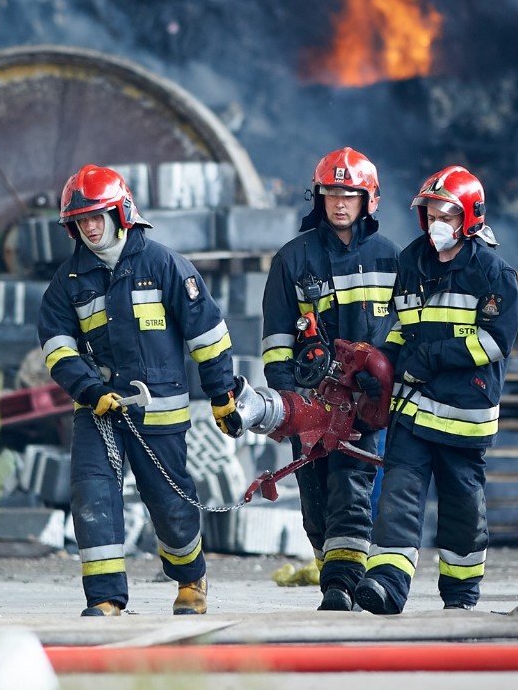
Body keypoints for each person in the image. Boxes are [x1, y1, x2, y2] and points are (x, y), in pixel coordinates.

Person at [38, 164, 240, 617]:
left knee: (170, 504)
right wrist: (90, 390)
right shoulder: (68, 282)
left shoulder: (164, 265)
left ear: (121, 212)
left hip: (160, 412)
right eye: (80, 220)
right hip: (99, 410)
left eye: (97, 216)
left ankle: (191, 580)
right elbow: (56, 348)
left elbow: (207, 336)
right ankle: (106, 598)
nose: (89, 227)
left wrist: (222, 395)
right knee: (93, 498)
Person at [353, 165, 518, 615]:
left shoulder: (492, 273)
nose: (436, 223)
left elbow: (494, 341)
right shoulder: (411, 261)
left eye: (446, 213)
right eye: (430, 212)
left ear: (469, 216)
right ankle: (386, 586)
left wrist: (434, 356)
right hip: (412, 407)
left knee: (462, 507)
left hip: (464, 412)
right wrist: (380, 365)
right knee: (398, 495)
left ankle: (460, 597)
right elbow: (398, 326)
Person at [258, 147, 400, 612]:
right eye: (332, 194)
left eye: (350, 195)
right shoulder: (292, 259)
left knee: (351, 487)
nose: (340, 203)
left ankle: (340, 584)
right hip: (311, 400)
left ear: (368, 200)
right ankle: (333, 569)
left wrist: (385, 382)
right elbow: (278, 341)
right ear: (318, 198)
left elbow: (404, 331)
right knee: (315, 496)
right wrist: (287, 401)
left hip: (363, 402)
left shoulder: (391, 258)